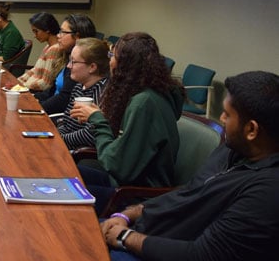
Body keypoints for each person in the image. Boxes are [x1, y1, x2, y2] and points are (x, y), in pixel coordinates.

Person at [100, 71, 279, 261]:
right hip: (141, 233)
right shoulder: (233, 150)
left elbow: (203, 254)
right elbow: (187, 192)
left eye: (227, 114)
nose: (222, 119)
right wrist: (127, 215)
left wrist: (126, 237)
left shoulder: (268, 191)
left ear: (251, 130)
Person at [70, 32, 183, 215]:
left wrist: (98, 119)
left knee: (64, 194)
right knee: (66, 174)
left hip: (135, 196)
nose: (110, 62)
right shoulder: (154, 93)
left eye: (113, 56)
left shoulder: (144, 103)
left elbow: (117, 167)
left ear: (126, 65)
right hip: (125, 182)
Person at [36, 14, 97, 114]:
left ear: (77, 37)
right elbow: (53, 89)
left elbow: (63, 99)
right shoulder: (66, 56)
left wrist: (37, 108)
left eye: (63, 32)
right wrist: (33, 98)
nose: (58, 36)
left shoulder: (80, 65)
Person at [55, 37, 109, 150]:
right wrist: (58, 137)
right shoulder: (78, 86)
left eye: (73, 62)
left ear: (92, 67)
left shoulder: (103, 93)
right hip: (64, 145)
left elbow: (90, 135)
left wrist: (60, 140)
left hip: (81, 154)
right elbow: (66, 121)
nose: (69, 66)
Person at [17, 12, 64, 93]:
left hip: (36, 92)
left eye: (36, 31)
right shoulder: (48, 47)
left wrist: (23, 87)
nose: (35, 35)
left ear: (47, 30)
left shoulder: (55, 50)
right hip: (29, 87)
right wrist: (18, 81)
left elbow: (45, 83)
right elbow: (35, 70)